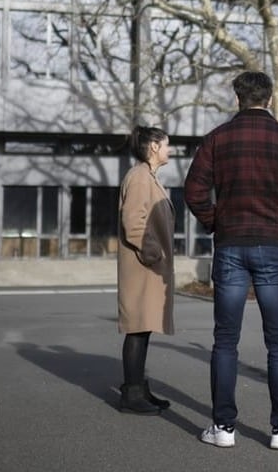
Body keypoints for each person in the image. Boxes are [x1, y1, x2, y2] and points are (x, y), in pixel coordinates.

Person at [185, 71, 278, 451]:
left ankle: (223, 428)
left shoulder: (217, 138)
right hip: (273, 246)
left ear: (238, 98)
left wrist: (218, 222)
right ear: (270, 98)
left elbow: (194, 191)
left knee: (225, 341)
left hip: (231, 246)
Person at [117, 125, 175, 414]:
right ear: (153, 146)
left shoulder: (146, 176)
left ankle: (138, 386)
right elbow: (134, 222)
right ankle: (132, 394)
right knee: (138, 329)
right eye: (166, 144)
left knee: (144, 328)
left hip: (146, 266)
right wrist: (153, 253)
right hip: (143, 266)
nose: (170, 149)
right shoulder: (140, 178)